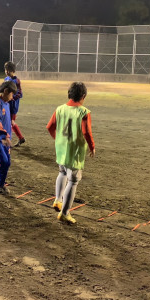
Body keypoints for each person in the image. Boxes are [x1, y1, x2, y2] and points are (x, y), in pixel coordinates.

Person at [46, 82, 95, 224]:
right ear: (83, 96)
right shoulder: (84, 112)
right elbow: (86, 132)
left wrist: (58, 139)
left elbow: (49, 127)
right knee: (73, 181)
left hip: (61, 150)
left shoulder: (60, 109)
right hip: (74, 152)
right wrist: (92, 147)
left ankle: (57, 200)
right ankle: (65, 213)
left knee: (62, 173)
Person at [4, 61, 26, 147]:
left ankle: (10, 140)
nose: (6, 72)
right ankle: (20, 138)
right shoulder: (6, 80)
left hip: (13, 106)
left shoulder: (16, 81)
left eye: (8, 70)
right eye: (5, 70)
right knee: (8, 122)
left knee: (11, 122)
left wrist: (12, 98)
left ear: (12, 70)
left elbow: (20, 93)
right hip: (6, 105)